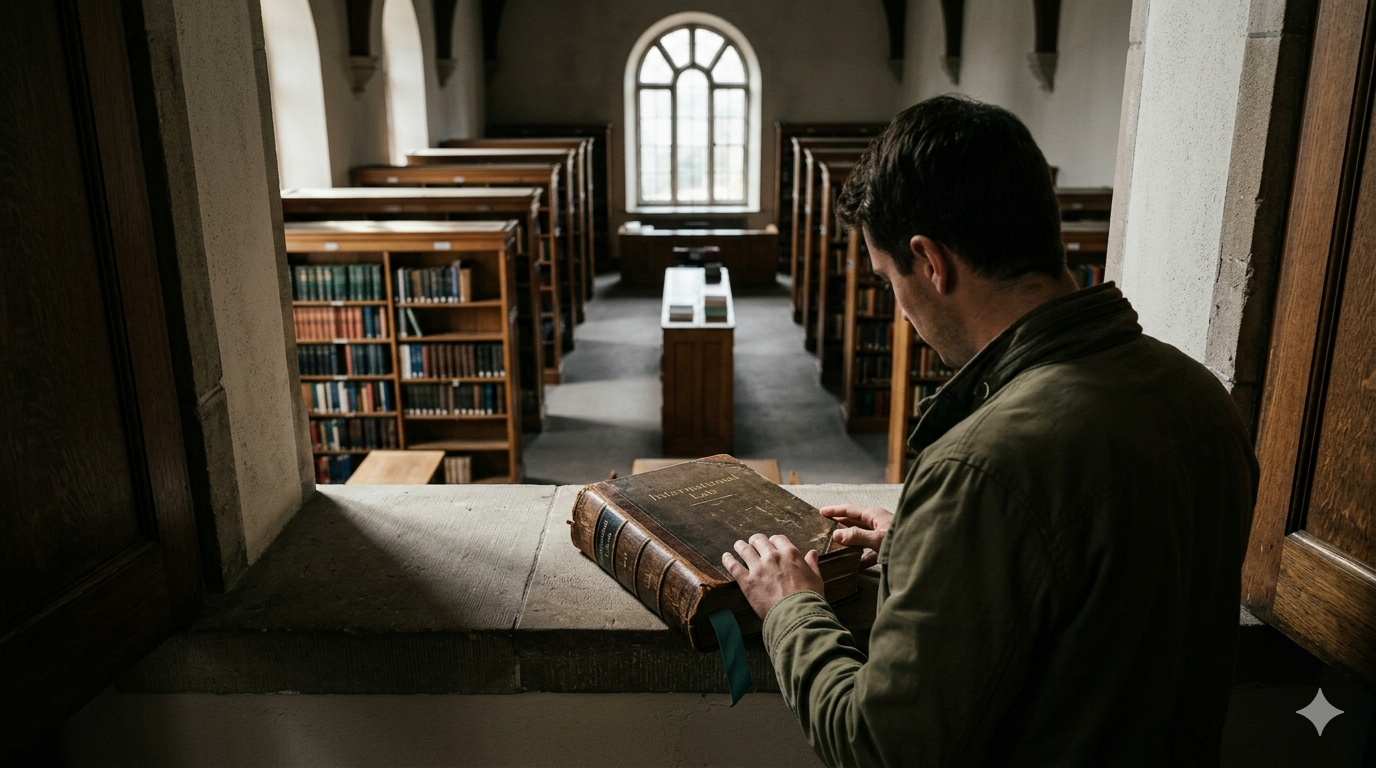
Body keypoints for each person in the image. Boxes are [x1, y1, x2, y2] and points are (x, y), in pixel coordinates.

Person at [722, 96, 1259, 766]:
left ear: (930, 262)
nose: (903, 311)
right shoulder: (1200, 397)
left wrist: (790, 607)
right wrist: (930, 549)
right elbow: (1101, 604)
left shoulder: (978, 470)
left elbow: (877, 746)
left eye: (890, 281)